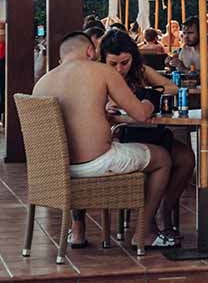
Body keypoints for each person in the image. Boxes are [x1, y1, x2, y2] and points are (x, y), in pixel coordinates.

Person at [32, 31, 171, 251]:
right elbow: (141, 115)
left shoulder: (42, 83)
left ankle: (77, 231)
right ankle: (144, 232)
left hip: (57, 169)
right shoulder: (101, 71)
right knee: (163, 158)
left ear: (61, 57)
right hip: (97, 162)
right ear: (90, 51)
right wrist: (149, 102)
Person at [100, 28, 195, 246]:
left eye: (125, 62)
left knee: (186, 159)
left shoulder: (141, 71)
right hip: (121, 136)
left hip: (149, 131)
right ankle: (147, 223)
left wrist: (147, 96)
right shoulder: (97, 77)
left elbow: (171, 87)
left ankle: (164, 211)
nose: (120, 69)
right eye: (113, 64)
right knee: (164, 160)